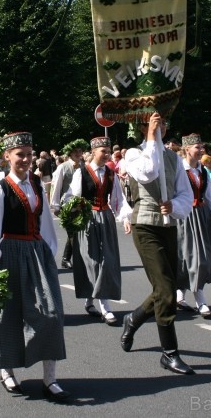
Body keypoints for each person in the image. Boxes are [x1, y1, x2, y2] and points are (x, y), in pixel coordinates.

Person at [0, 132, 69, 401]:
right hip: (9, 253)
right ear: (7, 157)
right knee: (8, 315)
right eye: (20, 154)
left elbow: (45, 223)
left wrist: (49, 252)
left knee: (51, 313)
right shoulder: (0, 187)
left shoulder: (37, 184)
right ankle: (7, 371)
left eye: (30, 154)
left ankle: (50, 379)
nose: (27, 159)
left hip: (36, 251)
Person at [120, 113, 195, 375]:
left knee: (167, 287)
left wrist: (174, 205)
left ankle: (134, 318)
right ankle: (169, 353)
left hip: (168, 225)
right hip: (145, 225)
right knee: (165, 291)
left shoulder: (174, 158)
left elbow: (186, 194)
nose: (160, 127)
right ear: (142, 127)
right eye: (154, 123)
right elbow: (148, 172)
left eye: (162, 123)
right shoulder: (132, 154)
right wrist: (151, 139)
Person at [61, 136, 131, 325]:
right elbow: (71, 197)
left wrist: (125, 218)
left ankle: (99, 304)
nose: (107, 154)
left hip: (106, 218)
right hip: (88, 220)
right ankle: (97, 303)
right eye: (104, 151)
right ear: (93, 152)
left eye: (108, 151)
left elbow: (118, 198)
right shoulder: (81, 173)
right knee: (92, 261)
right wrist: (73, 211)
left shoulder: (110, 173)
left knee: (107, 261)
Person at [175, 134, 211, 318]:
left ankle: (189, 296)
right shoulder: (178, 170)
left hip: (200, 216)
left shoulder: (203, 171)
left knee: (200, 258)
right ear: (186, 149)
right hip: (184, 216)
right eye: (197, 147)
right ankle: (194, 298)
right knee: (188, 257)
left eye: (201, 147)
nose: (201, 151)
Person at [50, 138, 89, 269]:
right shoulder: (63, 167)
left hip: (81, 205)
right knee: (72, 232)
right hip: (66, 206)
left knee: (76, 232)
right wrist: (55, 206)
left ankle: (66, 258)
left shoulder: (84, 166)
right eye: (75, 152)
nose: (78, 154)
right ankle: (76, 259)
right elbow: (56, 186)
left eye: (80, 151)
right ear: (70, 154)